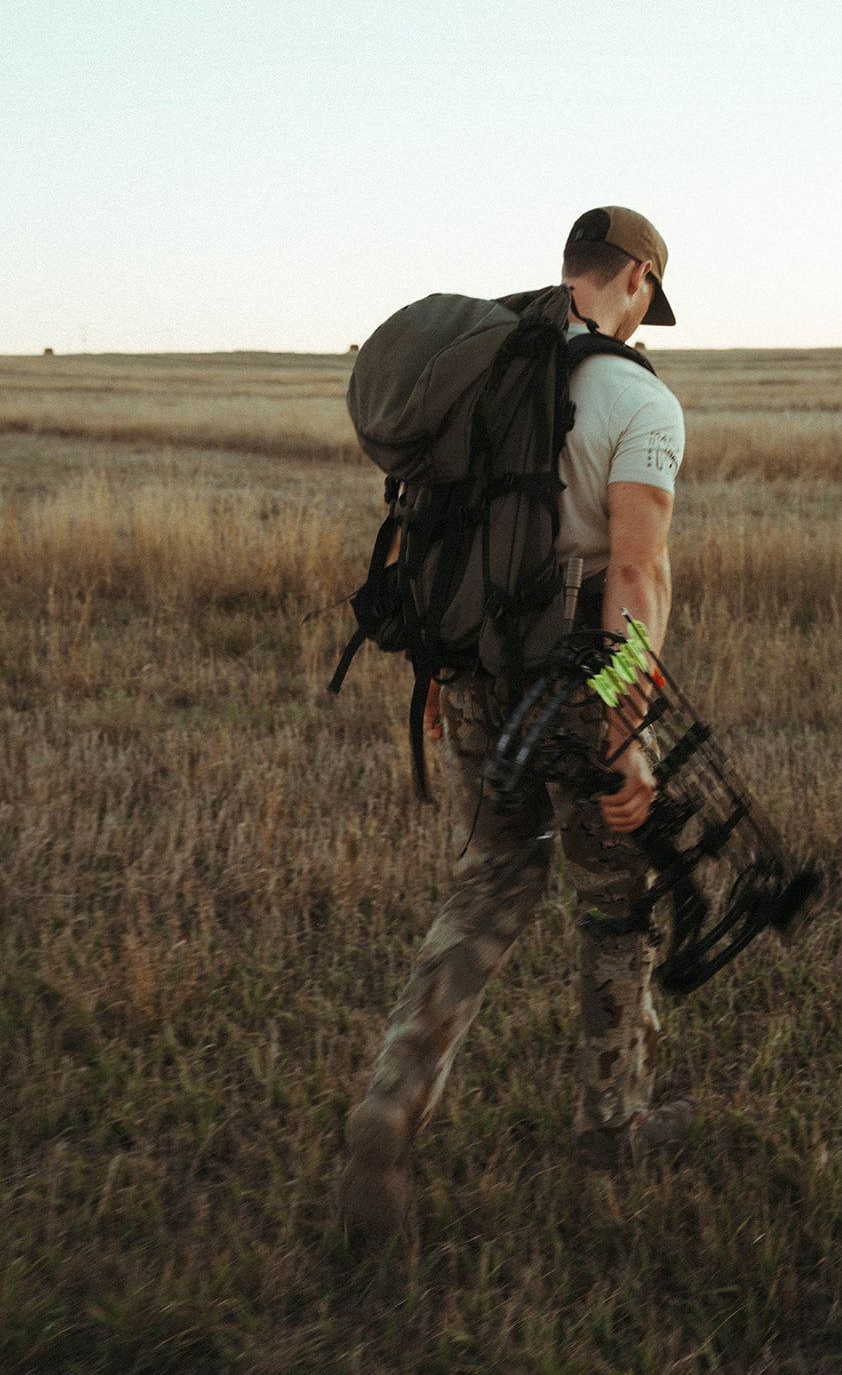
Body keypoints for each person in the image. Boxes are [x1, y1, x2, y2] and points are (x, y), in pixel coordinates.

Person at [338, 206, 689, 1246]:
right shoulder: (637, 401)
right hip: (580, 684)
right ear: (631, 277)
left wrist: (442, 671)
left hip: (476, 681)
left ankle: (391, 1102)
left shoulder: (484, 377)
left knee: (489, 883)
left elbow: (418, 533)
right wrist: (626, 725)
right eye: (647, 302)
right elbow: (633, 574)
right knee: (615, 899)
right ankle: (609, 1127)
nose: (643, 324)